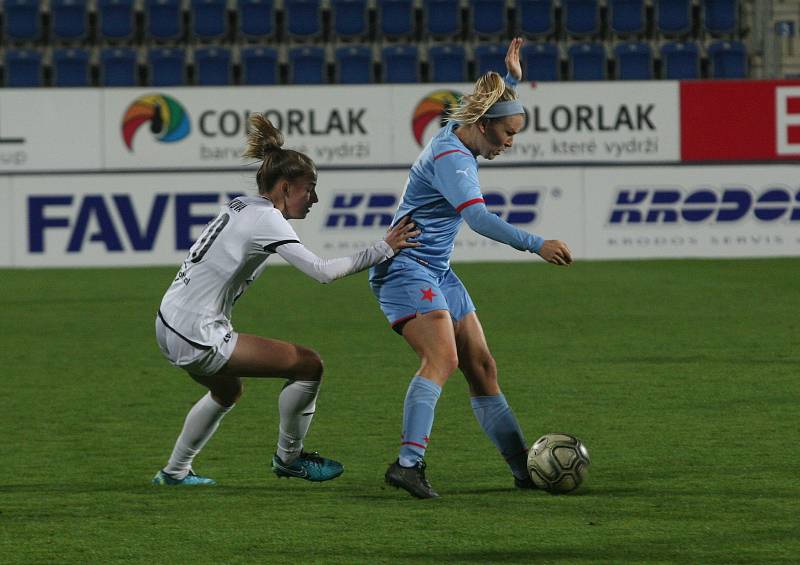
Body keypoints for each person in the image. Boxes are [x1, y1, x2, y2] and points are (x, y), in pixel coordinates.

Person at [152, 114, 420, 486]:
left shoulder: (242, 206)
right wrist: (383, 249)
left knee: (227, 389)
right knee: (308, 364)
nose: (314, 198)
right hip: (195, 332)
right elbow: (322, 271)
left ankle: (174, 472)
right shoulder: (268, 220)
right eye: (309, 188)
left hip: (167, 321)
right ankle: (289, 459)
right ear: (284, 186)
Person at [369, 38, 573, 499]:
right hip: (406, 269)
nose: (510, 143)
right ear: (483, 126)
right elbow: (478, 219)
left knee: (482, 367)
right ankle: (407, 464)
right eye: (507, 135)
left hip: (436, 269)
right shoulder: (454, 159)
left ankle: (526, 470)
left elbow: (490, 102)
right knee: (442, 359)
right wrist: (536, 244)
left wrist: (513, 79)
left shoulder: (465, 129)